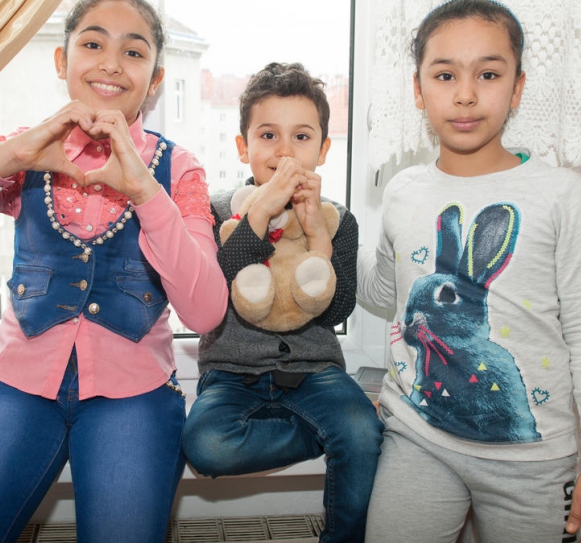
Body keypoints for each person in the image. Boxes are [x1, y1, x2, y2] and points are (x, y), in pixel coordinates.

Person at [0, 1, 228, 541]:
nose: (111, 63)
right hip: (15, 385)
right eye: (92, 44)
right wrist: (9, 157)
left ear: (155, 79)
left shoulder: (176, 169)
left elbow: (206, 311)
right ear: (61, 60)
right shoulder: (26, 151)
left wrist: (144, 191)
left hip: (133, 394)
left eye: (133, 51)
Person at [357, 1, 581, 542]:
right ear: (418, 90)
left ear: (518, 87)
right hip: (418, 437)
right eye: (444, 75)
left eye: (487, 74)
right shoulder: (404, 191)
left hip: (532, 460)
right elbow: (386, 291)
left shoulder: (560, 196)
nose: (465, 93)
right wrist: (323, 241)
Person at [181, 62, 384, 543]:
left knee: (361, 435)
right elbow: (219, 287)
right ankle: (318, 431)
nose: (284, 152)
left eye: (301, 137)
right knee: (205, 444)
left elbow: (338, 312)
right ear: (243, 147)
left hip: (317, 372)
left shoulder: (340, 220)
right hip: (232, 371)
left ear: (323, 149)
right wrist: (262, 211)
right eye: (268, 135)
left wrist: (319, 237)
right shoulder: (214, 211)